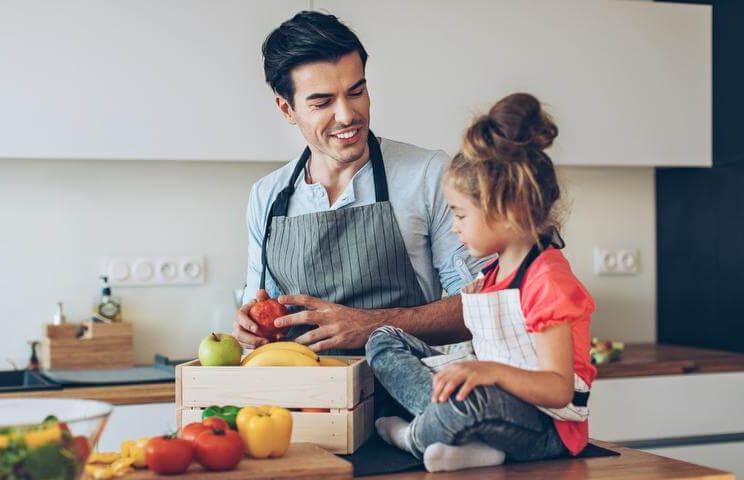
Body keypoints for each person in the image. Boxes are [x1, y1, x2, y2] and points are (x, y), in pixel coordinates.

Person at [365, 93, 596, 472]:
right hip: (494, 401)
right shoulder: (493, 272)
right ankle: (459, 432)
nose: (454, 228)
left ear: (507, 211)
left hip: (545, 425)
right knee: (383, 339)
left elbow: (557, 388)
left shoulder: (548, 280)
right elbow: (497, 348)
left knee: (473, 399)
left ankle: (416, 437)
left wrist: (485, 373)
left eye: (461, 215)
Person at [234, 11, 487, 354]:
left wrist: (371, 327)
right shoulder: (268, 196)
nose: (346, 115)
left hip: (403, 399)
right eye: (322, 102)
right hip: (308, 403)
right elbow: (259, 307)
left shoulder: (427, 174)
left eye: (356, 92)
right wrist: (250, 327)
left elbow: (482, 307)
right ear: (286, 110)